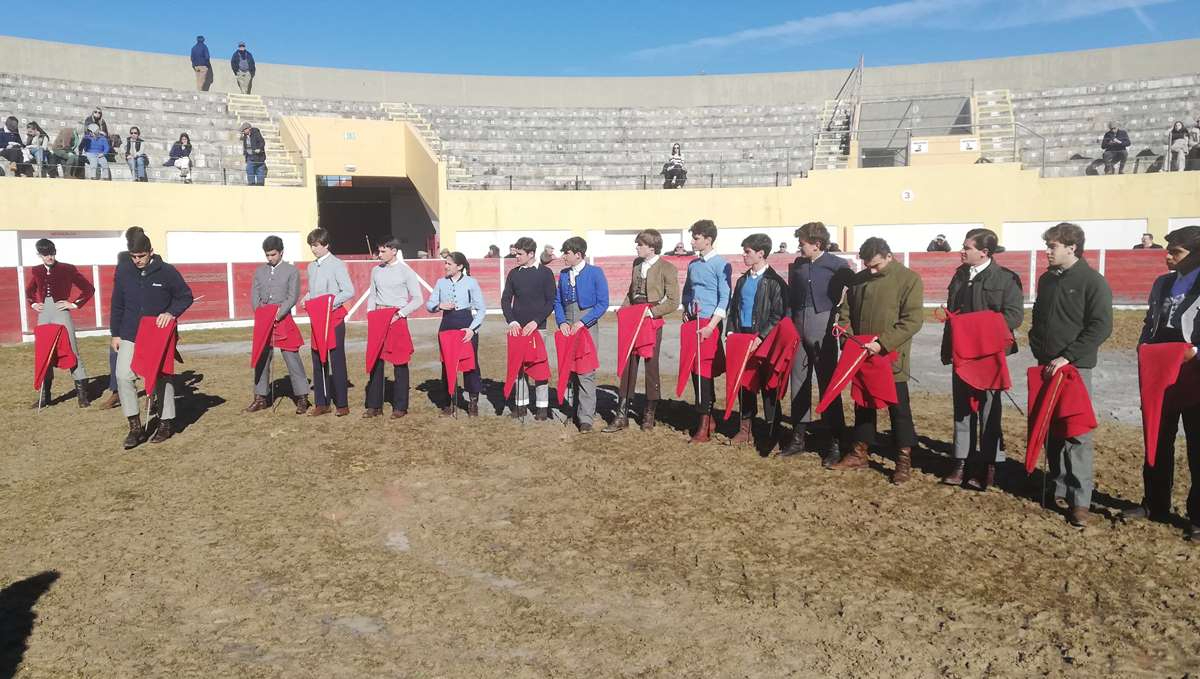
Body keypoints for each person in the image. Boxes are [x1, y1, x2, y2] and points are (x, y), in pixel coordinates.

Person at [1028, 222, 1113, 527]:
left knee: (1076, 432)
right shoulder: (1047, 280)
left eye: (1052, 246)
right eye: (1048, 246)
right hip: (1047, 365)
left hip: (1075, 367)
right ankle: (1059, 485)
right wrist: (1037, 345)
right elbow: (1038, 316)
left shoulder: (1093, 281)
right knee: (1052, 428)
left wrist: (1068, 356)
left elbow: (1101, 326)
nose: (1047, 252)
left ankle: (1081, 500)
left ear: (1071, 247)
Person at [1123, 226, 1200, 540]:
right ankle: (1154, 503)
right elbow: (1148, 322)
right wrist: (1145, 348)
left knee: (1198, 446)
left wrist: (1195, 352)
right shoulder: (1162, 283)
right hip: (1160, 372)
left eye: (1176, 252)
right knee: (1156, 438)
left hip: (1194, 371)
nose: (1167, 257)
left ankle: (1198, 517)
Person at [829, 237, 924, 484]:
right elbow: (845, 313)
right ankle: (859, 452)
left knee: (899, 409)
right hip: (861, 353)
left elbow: (912, 320)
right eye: (867, 266)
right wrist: (846, 337)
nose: (870, 271)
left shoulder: (908, 279)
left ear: (889, 256)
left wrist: (882, 343)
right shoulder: (859, 280)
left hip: (890, 355)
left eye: (876, 266)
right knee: (863, 404)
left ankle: (903, 460)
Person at [939, 228, 1024, 489]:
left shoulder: (1006, 278)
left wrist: (977, 330)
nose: (962, 251)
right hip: (963, 352)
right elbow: (953, 313)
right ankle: (961, 461)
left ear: (984, 252)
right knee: (962, 409)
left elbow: (1013, 316)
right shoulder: (960, 275)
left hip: (988, 354)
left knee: (989, 410)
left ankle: (988, 464)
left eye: (967, 247)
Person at [110, 233, 194, 448]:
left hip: (158, 334)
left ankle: (165, 423)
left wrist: (171, 313)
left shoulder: (167, 272)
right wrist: (115, 333)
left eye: (141, 256)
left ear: (151, 253)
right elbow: (117, 303)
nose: (137, 260)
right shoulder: (124, 271)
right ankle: (135, 427)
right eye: (133, 256)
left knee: (161, 377)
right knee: (123, 376)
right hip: (130, 332)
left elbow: (185, 296)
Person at [783, 221, 852, 462]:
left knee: (827, 381)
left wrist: (840, 315)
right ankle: (798, 437)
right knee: (798, 380)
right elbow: (792, 295)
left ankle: (835, 441)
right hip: (799, 325)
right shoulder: (799, 265)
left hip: (823, 326)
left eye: (802, 244)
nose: (799, 248)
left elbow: (853, 292)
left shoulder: (837, 265)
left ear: (817, 244)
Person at [605, 229, 679, 433]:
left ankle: (649, 413)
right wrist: (623, 310)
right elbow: (631, 293)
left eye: (640, 244)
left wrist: (652, 313)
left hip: (650, 317)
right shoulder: (636, 264)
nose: (636, 247)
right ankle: (622, 415)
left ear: (652, 247)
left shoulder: (667, 268)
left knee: (651, 364)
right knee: (629, 362)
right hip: (634, 315)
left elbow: (674, 301)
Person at [725, 233, 788, 447]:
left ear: (761, 253)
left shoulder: (775, 282)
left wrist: (761, 336)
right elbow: (734, 309)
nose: (744, 255)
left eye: (748, 251)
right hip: (742, 340)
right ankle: (745, 429)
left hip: (765, 341)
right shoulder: (742, 280)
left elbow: (778, 315)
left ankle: (773, 428)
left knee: (769, 386)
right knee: (744, 385)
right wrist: (731, 332)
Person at [246, 236, 311, 415]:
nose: (270, 258)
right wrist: (260, 313)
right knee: (262, 358)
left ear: (281, 252)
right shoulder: (260, 272)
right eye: (267, 255)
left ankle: (302, 397)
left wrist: (279, 313)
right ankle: (260, 397)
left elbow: (292, 296)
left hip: (283, 318)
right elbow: (254, 294)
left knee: (292, 357)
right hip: (264, 318)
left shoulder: (291, 271)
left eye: (273, 254)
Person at [25, 238, 95, 408]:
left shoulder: (67, 269)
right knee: (44, 353)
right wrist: (33, 303)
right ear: (39, 255)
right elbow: (29, 290)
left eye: (51, 253)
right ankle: (45, 395)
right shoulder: (37, 270)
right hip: (45, 313)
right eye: (45, 254)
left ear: (55, 252)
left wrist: (74, 304)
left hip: (61, 311)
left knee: (72, 349)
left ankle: (82, 396)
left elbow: (88, 288)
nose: (49, 256)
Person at [680, 219, 732, 443]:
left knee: (704, 370)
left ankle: (704, 425)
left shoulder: (721, 264)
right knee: (694, 369)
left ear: (708, 240)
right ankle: (706, 418)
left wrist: (712, 326)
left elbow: (725, 297)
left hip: (709, 323)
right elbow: (688, 290)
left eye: (696, 237)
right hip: (693, 322)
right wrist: (686, 308)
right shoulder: (693, 264)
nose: (692, 241)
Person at [364, 238, 424, 418]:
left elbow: (418, 298)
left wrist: (400, 314)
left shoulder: (406, 272)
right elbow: (372, 295)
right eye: (379, 251)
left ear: (394, 251)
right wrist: (370, 312)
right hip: (378, 317)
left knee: (399, 362)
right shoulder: (376, 270)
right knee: (376, 361)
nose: (379, 254)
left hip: (396, 318)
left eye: (383, 251)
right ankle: (375, 406)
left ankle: (400, 406)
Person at [554, 236, 609, 432]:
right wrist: (561, 322)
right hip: (568, 324)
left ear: (578, 254)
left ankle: (585, 417)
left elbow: (603, 303)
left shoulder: (595, 272)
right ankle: (575, 410)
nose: (563, 256)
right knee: (570, 369)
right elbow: (558, 302)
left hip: (587, 324)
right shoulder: (563, 274)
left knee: (586, 371)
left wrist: (583, 322)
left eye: (566, 253)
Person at [500, 236, 556, 420]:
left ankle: (542, 408)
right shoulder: (513, 274)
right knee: (519, 368)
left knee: (539, 367)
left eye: (520, 254)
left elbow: (551, 302)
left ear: (531, 254)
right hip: (518, 329)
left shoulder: (545, 273)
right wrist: (512, 321)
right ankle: (521, 406)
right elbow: (505, 299)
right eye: (515, 253)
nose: (516, 257)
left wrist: (536, 321)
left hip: (538, 328)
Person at [426, 252, 486, 416]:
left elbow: (481, 309)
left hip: (466, 325)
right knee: (447, 364)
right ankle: (449, 402)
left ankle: (473, 402)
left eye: (449, 264)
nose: (445, 266)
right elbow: (429, 305)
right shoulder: (440, 282)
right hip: (447, 325)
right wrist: (440, 306)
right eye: (445, 263)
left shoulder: (471, 282)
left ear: (459, 266)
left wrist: (472, 329)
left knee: (470, 364)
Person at [304, 228, 355, 416]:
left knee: (336, 359)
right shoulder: (311, 267)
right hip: (317, 319)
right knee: (318, 359)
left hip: (332, 318)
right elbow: (314, 291)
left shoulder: (337, 265)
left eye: (316, 245)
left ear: (326, 245)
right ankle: (322, 403)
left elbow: (348, 290)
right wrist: (307, 298)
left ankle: (342, 404)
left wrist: (330, 303)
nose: (313, 249)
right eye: (311, 245)